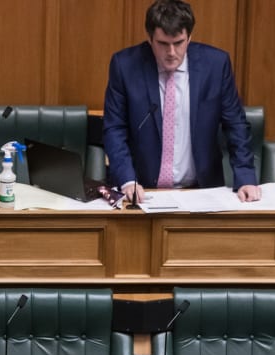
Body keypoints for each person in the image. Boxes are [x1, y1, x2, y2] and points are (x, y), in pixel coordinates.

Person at [103, 0, 262, 204]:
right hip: (142, 191)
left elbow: (236, 124)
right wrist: (127, 180)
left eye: (178, 43)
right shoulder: (125, 66)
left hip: (200, 191)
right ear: (150, 38)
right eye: (163, 44)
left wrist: (246, 178)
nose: (171, 52)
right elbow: (114, 128)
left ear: (189, 37)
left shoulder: (215, 65)